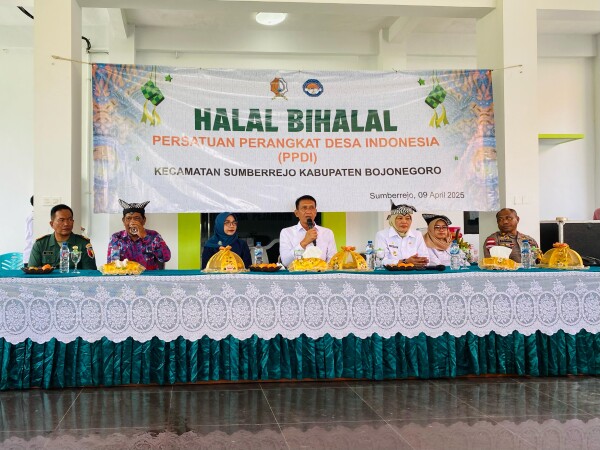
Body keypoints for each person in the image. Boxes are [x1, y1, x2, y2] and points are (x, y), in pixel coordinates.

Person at [28, 204, 97, 269]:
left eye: (69, 219)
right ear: (52, 224)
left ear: (73, 222)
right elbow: (32, 271)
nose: (66, 224)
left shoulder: (83, 244)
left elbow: (90, 273)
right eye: (61, 220)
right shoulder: (40, 244)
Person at [107, 199, 171, 270]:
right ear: (123, 221)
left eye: (136, 218)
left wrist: (145, 237)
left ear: (144, 220)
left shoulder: (154, 235)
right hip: (125, 276)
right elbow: (112, 265)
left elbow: (166, 258)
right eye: (128, 218)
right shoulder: (116, 238)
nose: (132, 222)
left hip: (149, 276)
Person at [279, 195, 337, 267]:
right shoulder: (287, 232)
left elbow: (332, 260)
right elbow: (286, 262)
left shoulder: (327, 233)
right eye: (304, 208)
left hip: (321, 272)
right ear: (296, 213)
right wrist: (304, 242)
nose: (308, 211)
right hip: (297, 273)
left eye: (311, 208)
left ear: (315, 212)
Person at [375, 202, 429, 268]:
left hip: (413, 272)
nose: (404, 221)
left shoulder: (417, 234)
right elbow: (380, 261)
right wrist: (404, 262)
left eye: (407, 218)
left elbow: (425, 258)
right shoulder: (382, 235)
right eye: (400, 218)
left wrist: (421, 262)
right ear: (393, 219)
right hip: (391, 273)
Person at [23, 195, 34, 265]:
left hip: (31, 255)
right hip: (30, 256)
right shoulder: (32, 218)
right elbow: (34, 237)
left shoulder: (31, 216)